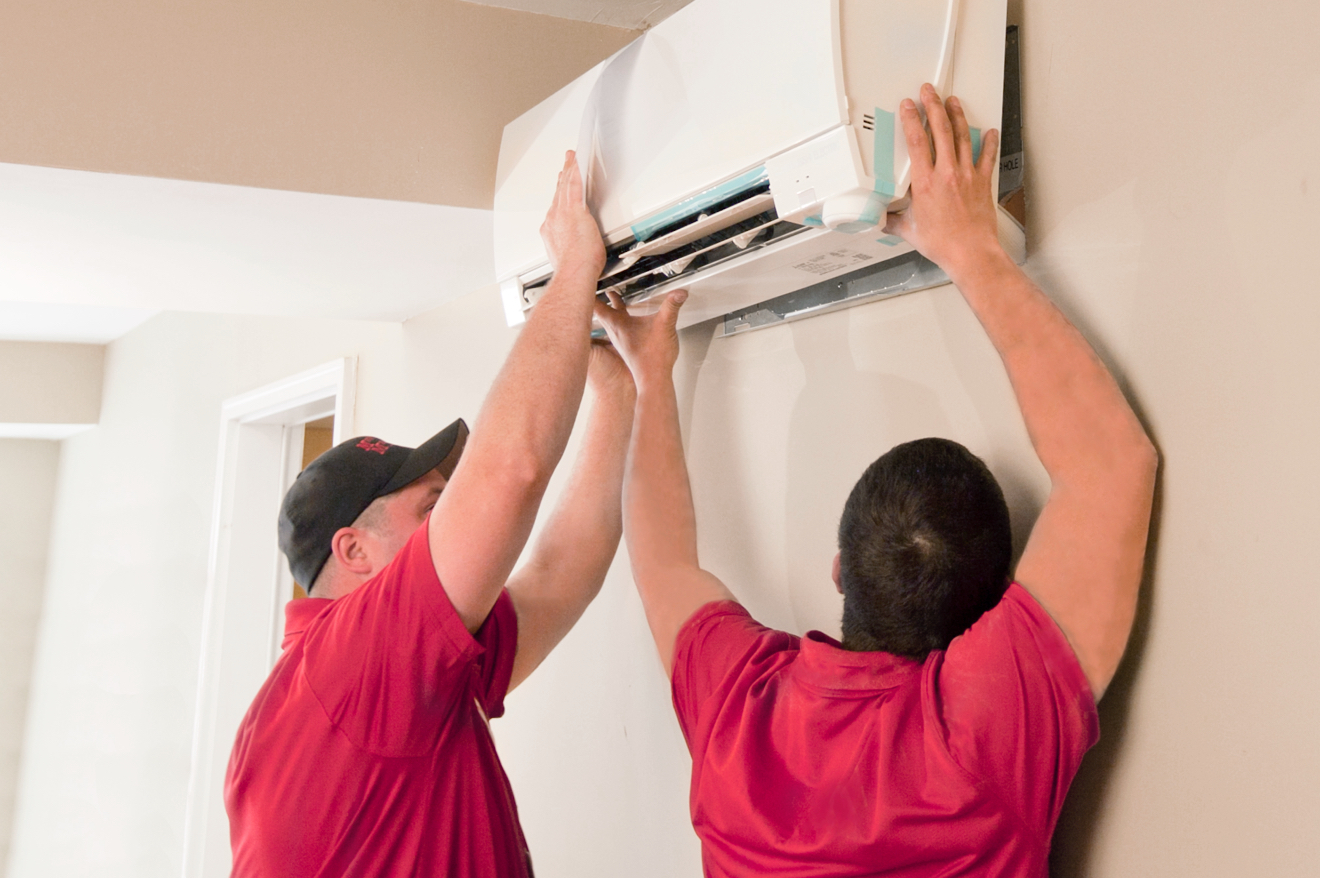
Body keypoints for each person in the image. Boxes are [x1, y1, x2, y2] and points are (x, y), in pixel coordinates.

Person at [594, 84, 1158, 876]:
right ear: (996, 604)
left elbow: (661, 568)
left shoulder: (740, 714)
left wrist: (652, 378)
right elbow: (1109, 466)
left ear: (838, 568)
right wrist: (971, 248)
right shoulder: (984, 729)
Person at [224, 152, 627, 877]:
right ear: (353, 552)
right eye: (434, 507)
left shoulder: (396, 672)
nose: (453, 528)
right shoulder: (352, 665)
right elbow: (511, 472)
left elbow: (565, 570)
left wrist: (623, 396)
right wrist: (572, 272)